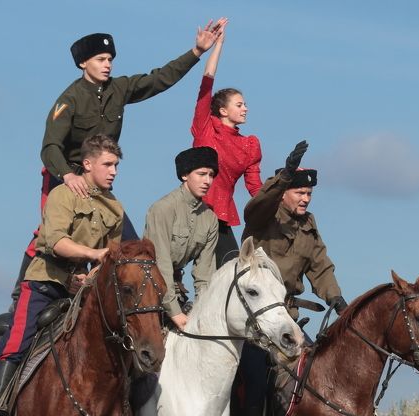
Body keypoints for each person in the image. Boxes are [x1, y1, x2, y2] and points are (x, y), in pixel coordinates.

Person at [13, 23, 226, 295]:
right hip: (65, 176)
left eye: (110, 59)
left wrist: (197, 51)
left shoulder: (119, 88)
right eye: (100, 59)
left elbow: (160, 79)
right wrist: (67, 176)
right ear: (83, 63)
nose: (107, 65)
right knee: (50, 234)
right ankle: (21, 290)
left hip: (99, 179)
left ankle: (143, 297)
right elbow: (50, 146)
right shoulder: (69, 99)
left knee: (130, 244)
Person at [0, 135, 127, 416]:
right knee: (18, 341)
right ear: (88, 164)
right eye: (108, 164)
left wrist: (92, 276)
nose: (113, 171)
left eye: (116, 166)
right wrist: (93, 254)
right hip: (44, 282)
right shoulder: (63, 195)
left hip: (80, 290)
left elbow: (109, 258)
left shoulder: (115, 208)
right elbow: (56, 242)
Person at [237, 140, 347, 416]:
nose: (305, 198)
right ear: (284, 192)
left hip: (288, 319)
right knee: (257, 377)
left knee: (316, 373)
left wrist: (338, 301)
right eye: (299, 192)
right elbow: (253, 208)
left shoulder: (308, 225)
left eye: (309, 193)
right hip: (255, 321)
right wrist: (284, 175)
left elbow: (321, 266)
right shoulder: (264, 217)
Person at [190, 23, 262, 267]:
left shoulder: (249, 145)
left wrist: (283, 192)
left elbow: (256, 189)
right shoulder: (205, 126)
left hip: (221, 216)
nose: (246, 108)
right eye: (239, 105)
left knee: (234, 269)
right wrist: (217, 45)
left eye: (245, 105)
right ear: (223, 110)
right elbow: (206, 84)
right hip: (192, 210)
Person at [143, 146, 220, 329]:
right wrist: (175, 312)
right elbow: (160, 263)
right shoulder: (162, 209)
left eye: (211, 175)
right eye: (201, 174)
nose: (208, 181)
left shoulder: (210, 219)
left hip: (176, 291)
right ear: (185, 175)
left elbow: (205, 274)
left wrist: (204, 311)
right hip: (146, 290)